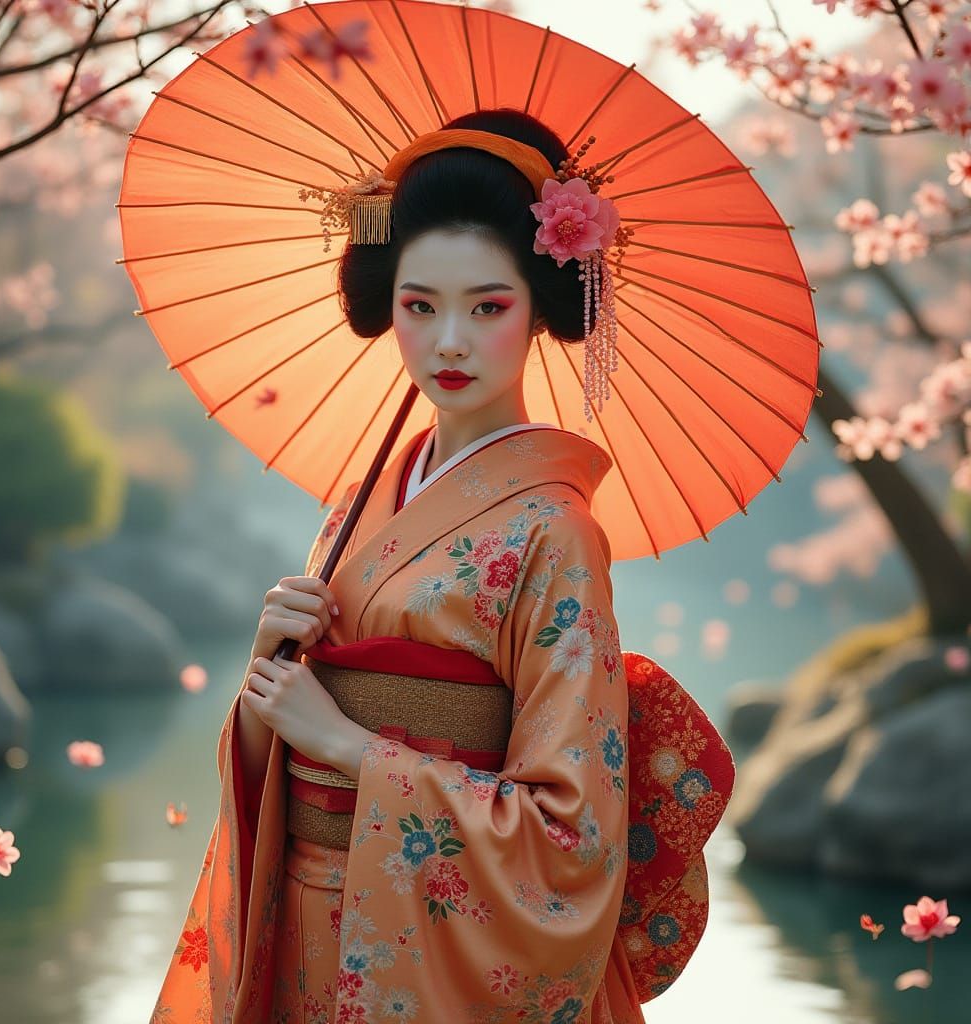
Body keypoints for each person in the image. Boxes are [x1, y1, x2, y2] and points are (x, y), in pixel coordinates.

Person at [150, 108, 729, 1024]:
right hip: (306, 924)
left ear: (542, 309)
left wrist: (350, 748)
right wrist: (270, 674)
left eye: (487, 307)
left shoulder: (555, 528)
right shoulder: (361, 499)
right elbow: (285, 740)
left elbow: (569, 836)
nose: (448, 341)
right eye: (420, 305)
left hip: (431, 951)